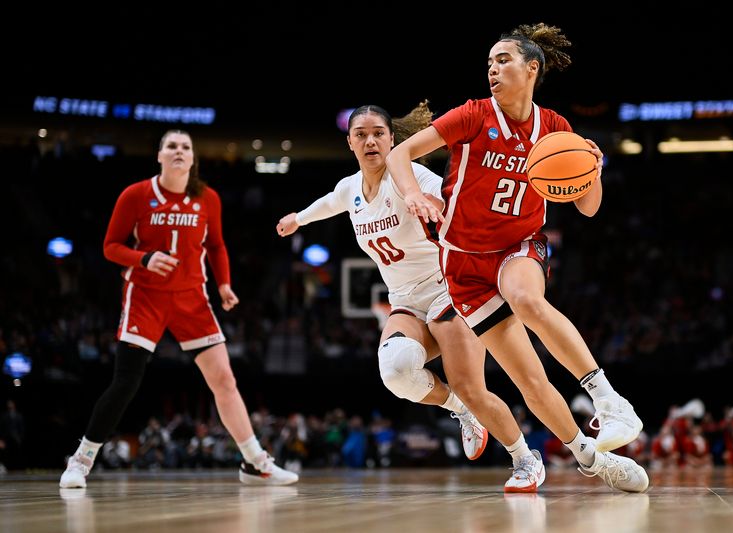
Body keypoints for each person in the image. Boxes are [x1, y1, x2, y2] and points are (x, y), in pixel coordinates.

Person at [278, 103, 643, 492]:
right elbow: (329, 204)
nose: (371, 141)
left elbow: (460, 197)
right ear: (349, 142)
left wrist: (435, 201)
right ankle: (460, 410)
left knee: (480, 384)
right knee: (396, 371)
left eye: (379, 133)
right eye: (361, 134)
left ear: (391, 138)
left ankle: (529, 459)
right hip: (405, 300)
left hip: (449, 290)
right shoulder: (349, 189)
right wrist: (298, 219)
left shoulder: (414, 176)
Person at [386, 23, 648, 491]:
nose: (492, 68)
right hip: (463, 263)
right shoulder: (472, 115)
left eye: (503, 60)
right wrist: (414, 196)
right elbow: (400, 154)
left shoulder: (554, 129)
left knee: (526, 298)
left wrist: (594, 167)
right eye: (488, 62)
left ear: (532, 68)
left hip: (518, 245)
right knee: (530, 382)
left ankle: (609, 401)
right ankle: (591, 460)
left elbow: (588, 207)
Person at [60, 130, 297, 488]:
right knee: (126, 382)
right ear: (159, 155)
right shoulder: (136, 194)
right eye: (171, 146)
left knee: (224, 380)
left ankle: (254, 462)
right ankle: (80, 460)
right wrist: (144, 258)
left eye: (185, 147)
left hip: (192, 299)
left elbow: (216, 246)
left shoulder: (208, 198)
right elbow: (110, 246)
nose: (179, 151)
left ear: (192, 158)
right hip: (145, 297)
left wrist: (224, 285)